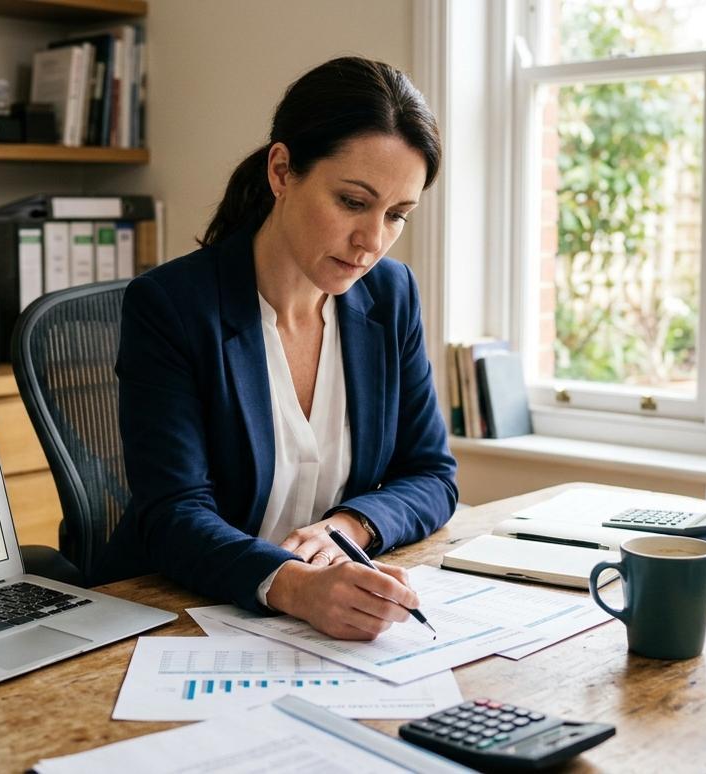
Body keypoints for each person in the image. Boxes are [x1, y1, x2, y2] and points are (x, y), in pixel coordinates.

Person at [94, 56, 457, 641]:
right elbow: (172, 515)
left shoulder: (391, 297)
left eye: (397, 215)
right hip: (171, 614)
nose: (372, 241)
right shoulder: (172, 306)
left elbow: (432, 474)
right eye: (352, 202)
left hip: (316, 626)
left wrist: (351, 526)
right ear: (283, 171)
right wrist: (294, 586)